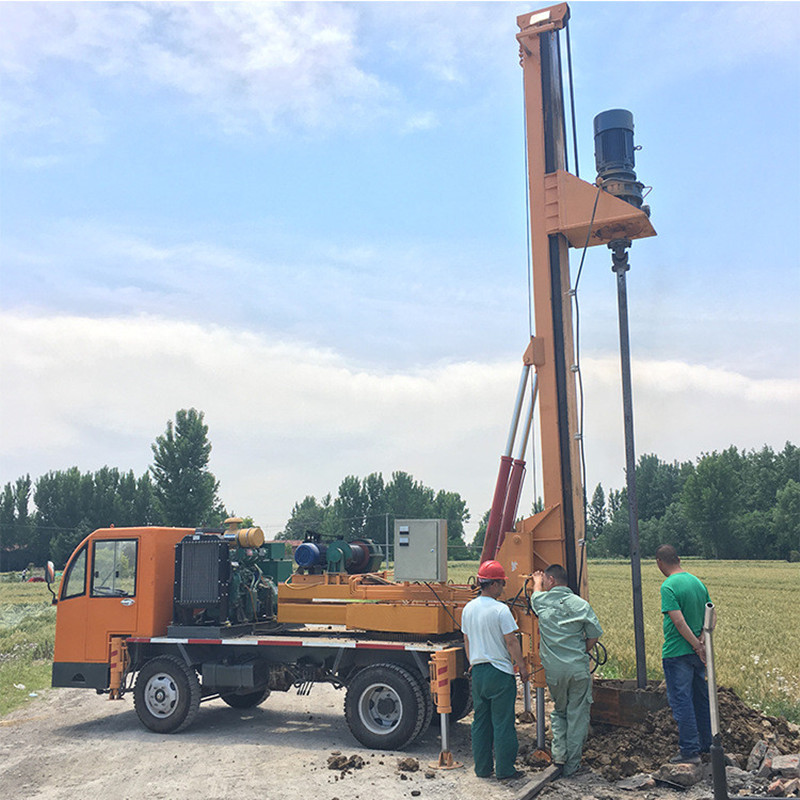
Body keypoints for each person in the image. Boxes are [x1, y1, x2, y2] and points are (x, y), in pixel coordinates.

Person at [531, 564, 603, 777]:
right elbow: (594, 634)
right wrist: (582, 650)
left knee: (559, 711)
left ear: (551, 581)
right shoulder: (581, 604)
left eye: (545, 581)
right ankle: (572, 766)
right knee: (577, 714)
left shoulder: (541, 601)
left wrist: (536, 581)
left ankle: (559, 756)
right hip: (577, 669)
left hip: (554, 671)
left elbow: (535, 596)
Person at [461, 559, 529, 780]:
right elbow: (511, 642)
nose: (503, 588)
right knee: (503, 722)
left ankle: (482, 769)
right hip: (499, 673)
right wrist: (522, 667)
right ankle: (505, 770)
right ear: (493, 584)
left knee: (480, 722)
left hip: (478, 671)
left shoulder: (468, 609)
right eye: (501, 583)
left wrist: (472, 662)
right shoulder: (501, 610)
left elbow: (466, 639)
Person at [655, 543, 713, 765]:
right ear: (678, 559)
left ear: (660, 562)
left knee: (682, 701)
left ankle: (689, 751)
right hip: (698, 655)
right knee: (701, 699)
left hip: (677, 652)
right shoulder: (697, 582)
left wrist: (695, 645)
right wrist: (703, 640)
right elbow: (712, 613)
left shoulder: (668, 586)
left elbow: (678, 621)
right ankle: (707, 744)